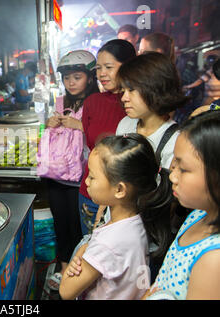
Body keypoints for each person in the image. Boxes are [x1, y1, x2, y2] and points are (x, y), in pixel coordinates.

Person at [59, 134, 174, 300]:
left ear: (119, 190)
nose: (87, 182)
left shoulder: (106, 244)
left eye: (92, 176)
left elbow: (66, 291)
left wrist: (81, 253)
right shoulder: (138, 222)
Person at [144, 110, 220, 300]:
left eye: (183, 169)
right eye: (174, 164)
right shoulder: (198, 214)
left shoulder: (214, 260)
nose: (172, 176)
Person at [44, 50, 99, 290]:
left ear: (89, 77)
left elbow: (103, 138)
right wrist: (50, 124)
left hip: (82, 179)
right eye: (67, 78)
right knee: (61, 225)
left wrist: (80, 126)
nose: (71, 83)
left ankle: (78, 272)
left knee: (79, 228)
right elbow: (50, 134)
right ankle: (64, 267)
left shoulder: (97, 103)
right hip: (56, 175)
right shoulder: (60, 102)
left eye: (77, 77)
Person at [78, 39, 136, 236]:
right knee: (89, 249)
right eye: (98, 68)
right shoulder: (92, 102)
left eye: (109, 67)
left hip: (125, 200)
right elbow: (90, 144)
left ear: (128, 67)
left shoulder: (137, 104)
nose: (101, 73)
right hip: (91, 195)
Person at [116, 52, 189, 169]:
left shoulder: (175, 141)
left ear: (155, 88)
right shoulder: (125, 124)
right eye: (123, 90)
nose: (124, 98)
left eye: (131, 90)